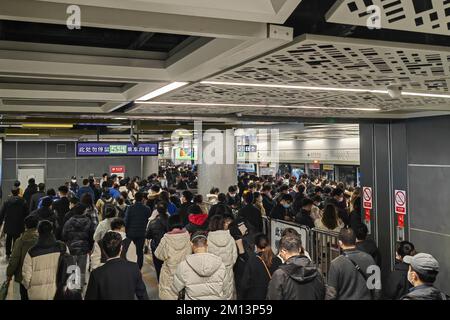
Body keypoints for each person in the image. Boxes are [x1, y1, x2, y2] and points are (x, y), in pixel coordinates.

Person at [85, 231, 149, 300]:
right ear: (121, 249)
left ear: (103, 250)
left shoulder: (96, 274)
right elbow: (142, 295)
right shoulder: (134, 268)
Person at [267, 235, 326, 300]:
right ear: (300, 249)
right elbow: (323, 294)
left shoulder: (280, 275)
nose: (280, 254)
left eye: (280, 252)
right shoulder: (317, 271)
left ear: (283, 251)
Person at [327, 228, 379, 300]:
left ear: (340, 243)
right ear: (355, 240)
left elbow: (331, 294)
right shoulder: (369, 258)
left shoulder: (335, 264)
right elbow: (377, 288)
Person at [172, 232, 226, 300]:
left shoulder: (184, 265)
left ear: (192, 245)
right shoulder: (220, 264)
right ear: (207, 245)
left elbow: (175, 288)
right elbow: (225, 288)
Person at [21, 220, 67, 300]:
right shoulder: (62, 247)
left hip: (37, 293)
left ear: (38, 232)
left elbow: (26, 276)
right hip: (57, 292)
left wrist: (29, 287)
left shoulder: (32, 252)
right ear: (52, 230)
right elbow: (69, 266)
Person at [62, 199, 96, 292]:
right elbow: (91, 235)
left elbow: (64, 235)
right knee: (81, 268)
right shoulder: (88, 221)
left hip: (71, 248)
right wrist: (90, 247)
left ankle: (73, 287)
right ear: (84, 211)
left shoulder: (69, 221)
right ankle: (80, 286)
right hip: (83, 248)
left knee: (72, 267)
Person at [154, 215, 192, 300]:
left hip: (170, 274)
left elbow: (158, 255)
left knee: (169, 295)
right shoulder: (187, 236)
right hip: (184, 272)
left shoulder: (166, 239)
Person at [6, 215, 39, 300]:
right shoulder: (41, 239)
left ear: (25, 226)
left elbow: (14, 259)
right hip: (39, 274)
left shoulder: (20, 241)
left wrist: (9, 273)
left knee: (24, 296)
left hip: (23, 275)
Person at [240, 233, 282, 300]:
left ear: (256, 246)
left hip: (255, 295)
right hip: (271, 295)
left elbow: (245, 284)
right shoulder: (278, 260)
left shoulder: (253, 260)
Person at [207, 215, 238, 300]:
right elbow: (234, 256)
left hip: (213, 272)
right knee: (228, 294)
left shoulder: (208, 239)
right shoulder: (230, 238)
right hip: (228, 271)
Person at [124, 192, 151, 269]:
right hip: (141, 233)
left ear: (135, 198)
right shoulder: (147, 209)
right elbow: (148, 221)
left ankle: (129, 267)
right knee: (139, 252)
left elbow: (126, 221)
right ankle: (139, 268)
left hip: (130, 233)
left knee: (129, 250)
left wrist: (126, 231)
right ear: (142, 198)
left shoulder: (130, 208)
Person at [0, 188, 29, 258]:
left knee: (8, 238)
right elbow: (26, 213)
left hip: (8, 222)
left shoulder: (6, 201)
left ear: (11, 192)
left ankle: (7, 253)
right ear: (18, 192)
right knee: (17, 239)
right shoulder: (23, 201)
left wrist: (0, 222)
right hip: (19, 223)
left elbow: (2, 213)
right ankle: (15, 253)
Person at [146, 201, 169, 280]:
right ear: (166, 209)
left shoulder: (152, 222)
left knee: (158, 267)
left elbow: (147, 235)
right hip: (169, 246)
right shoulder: (170, 220)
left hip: (156, 247)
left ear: (157, 210)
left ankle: (160, 282)